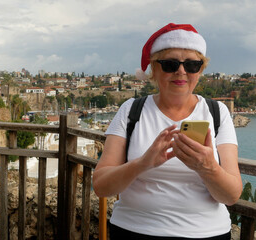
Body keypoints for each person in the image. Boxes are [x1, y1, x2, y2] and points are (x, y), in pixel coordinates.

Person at [93, 23, 242, 240]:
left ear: (200, 70)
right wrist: (143, 163)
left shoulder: (217, 113)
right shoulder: (131, 110)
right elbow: (101, 186)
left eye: (192, 65)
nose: (181, 71)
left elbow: (231, 195)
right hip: (133, 231)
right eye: (170, 64)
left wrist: (208, 167)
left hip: (207, 233)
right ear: (154, 69)